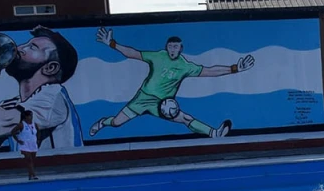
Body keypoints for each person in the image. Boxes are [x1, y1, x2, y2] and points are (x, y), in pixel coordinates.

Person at [89, 30, 253, 139]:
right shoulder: (158, 56)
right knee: (117, 123)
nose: (172, 49)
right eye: (170, 46)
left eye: (175, 46)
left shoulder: (185, 66)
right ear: (166, 47)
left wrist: (235, 68)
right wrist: (111, 43)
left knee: (185, 118)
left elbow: (210, 71)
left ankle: (214, 133)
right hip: (142, 98)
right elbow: (133, 53)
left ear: (181, 48)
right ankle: (103, 122)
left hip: (163, 104)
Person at [12, 108, 40, 180]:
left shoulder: (35, 124)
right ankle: (34, 175)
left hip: (33, 144)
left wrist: (38, 140)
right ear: (26, 117)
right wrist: (18, 140)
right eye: (30, 115)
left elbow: (38, 132)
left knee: (32, 160)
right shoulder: (21, 125)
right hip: (24, 144)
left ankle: (30, 175)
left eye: (31, 115)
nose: (31, 117)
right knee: (29, 159)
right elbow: (13, 132)